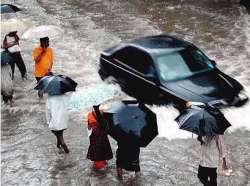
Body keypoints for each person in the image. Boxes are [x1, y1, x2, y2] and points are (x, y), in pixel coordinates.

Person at [86, 106, 113, 170]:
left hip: (94, 137)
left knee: (96, 154)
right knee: (103, 151)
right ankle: (103, 164)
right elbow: (106, 126)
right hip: (103, 137)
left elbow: (89, 127)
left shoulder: (89, 115)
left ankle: (98, 166)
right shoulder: (102, 113)